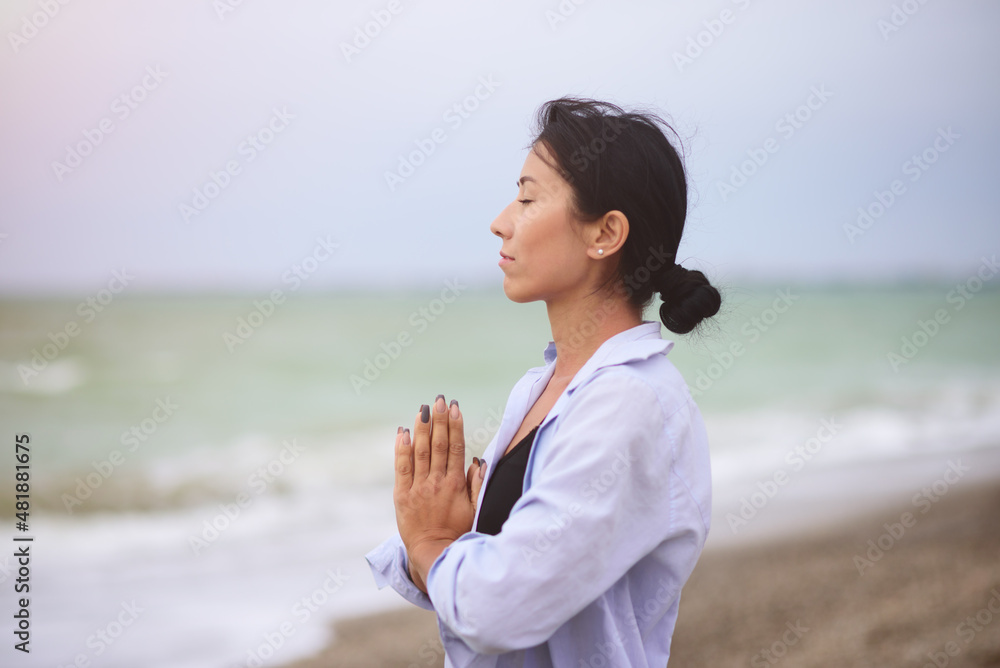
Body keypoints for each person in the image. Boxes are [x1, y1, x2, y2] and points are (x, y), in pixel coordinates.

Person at [365, 96, 720, 667]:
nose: (501, 221)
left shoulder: (631, 405)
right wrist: (434, 542)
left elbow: (498, 607)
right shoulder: (542, 387)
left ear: (605, 233)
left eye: (528, 198)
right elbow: (484, 571)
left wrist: (431, 545)